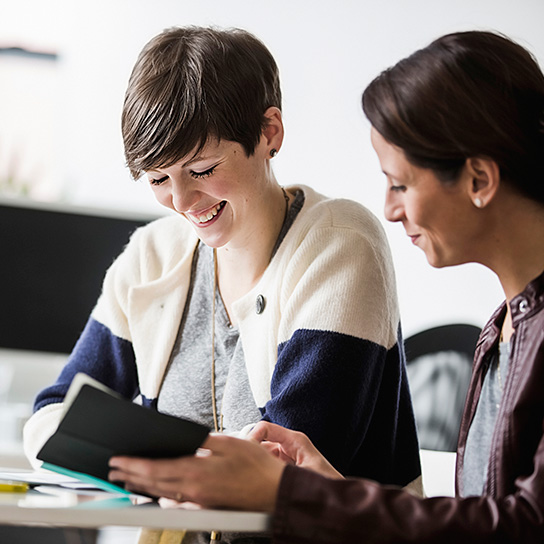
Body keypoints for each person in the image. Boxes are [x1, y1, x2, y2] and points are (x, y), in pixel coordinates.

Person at [109, 30, 544, 542]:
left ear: (478, 180)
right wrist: (328, 492)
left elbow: (525, 526)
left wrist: (291, 493)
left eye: (400, 183)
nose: (390, 209)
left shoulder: (339, 242)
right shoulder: (505, 328)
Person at [23, 26, 422, 543]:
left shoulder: (340, 244)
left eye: (203, 169)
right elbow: (54, 413)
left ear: (269, 132)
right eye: (159, 179)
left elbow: (284, 469)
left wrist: (144, 464)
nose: (184, 202)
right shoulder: (151, 258)